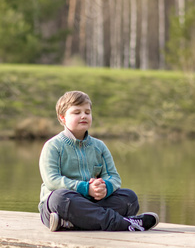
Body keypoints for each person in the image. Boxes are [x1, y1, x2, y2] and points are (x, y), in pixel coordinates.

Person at [38, 90, 159, 232]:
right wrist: (85, 188)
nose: (83, 116)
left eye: (87, 112)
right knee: (59, 198)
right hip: (58, 206)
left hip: (90, 204)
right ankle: (122, 223)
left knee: (129, 198)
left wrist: (104, 188)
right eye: (77, 112)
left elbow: (113, 177)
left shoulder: (99, 146)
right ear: (62, 117)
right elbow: (52, 181)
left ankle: (70, 223)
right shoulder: (53, 146)